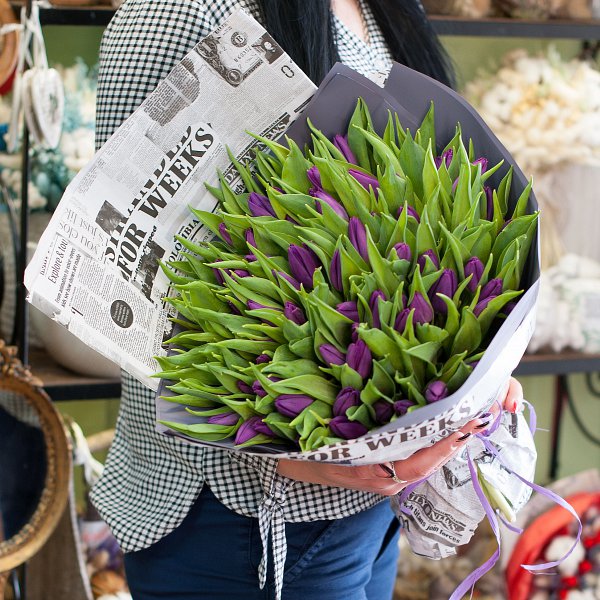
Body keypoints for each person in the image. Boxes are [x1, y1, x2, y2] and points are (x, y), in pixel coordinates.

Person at [91, 1, 524, 598]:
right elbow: (116, 280)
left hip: (367, 510)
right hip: (244, 523)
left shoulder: (378, 9)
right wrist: (289, 455)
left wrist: (474, 365)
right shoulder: (180, 12)